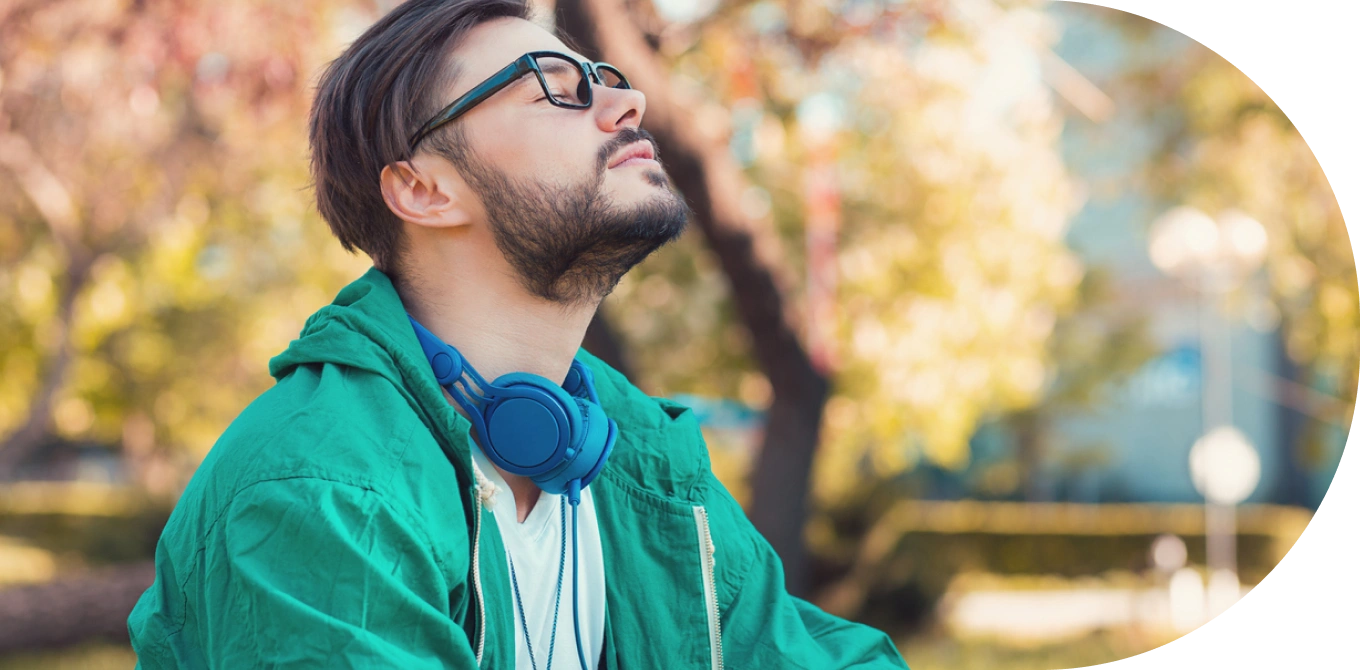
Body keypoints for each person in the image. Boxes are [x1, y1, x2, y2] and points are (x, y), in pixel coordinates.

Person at [126, 1, 911, 668]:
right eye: (554, 90)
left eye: (605, 79)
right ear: (425, 189)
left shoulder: (642, 459)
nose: (626, 102)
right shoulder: (320, 490)